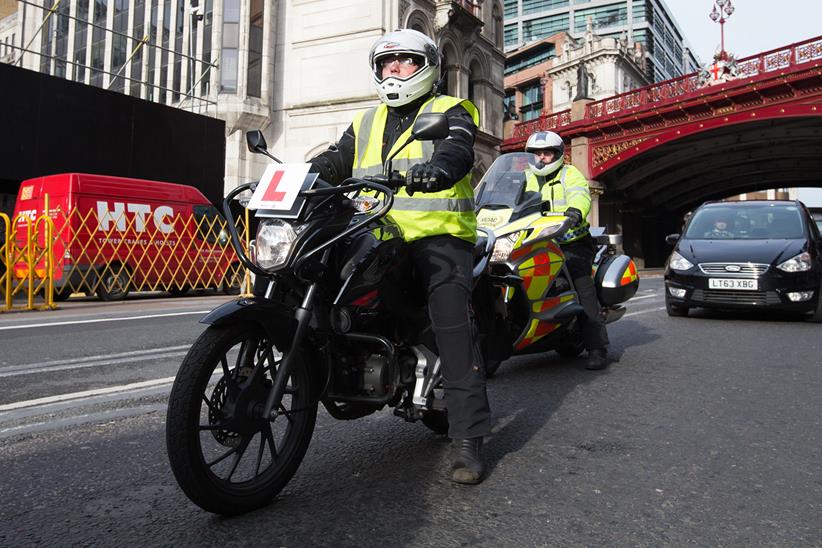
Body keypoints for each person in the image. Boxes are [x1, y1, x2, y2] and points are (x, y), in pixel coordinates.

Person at [307, 29, 491, 484]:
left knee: (451, 320)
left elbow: (458, 148)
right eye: (387, 63)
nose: (394, 70)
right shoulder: (366, 121)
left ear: (426, 67)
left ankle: (468, 439)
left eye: (405, 61)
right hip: (377, 232)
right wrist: (301, 177)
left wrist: (441, 168)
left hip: (439, 235)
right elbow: (334, 160)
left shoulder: (449, 109)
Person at [523, 131, 610, 370]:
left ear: (558, 154)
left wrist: (574, 212)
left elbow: (580, 195)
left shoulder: (570, 174)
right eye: (538, 154)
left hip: (572, 242)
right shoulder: (526, 178)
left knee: (582, 286)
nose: (542, 158)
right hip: (537, 242)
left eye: (547, 153)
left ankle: (596, 347)